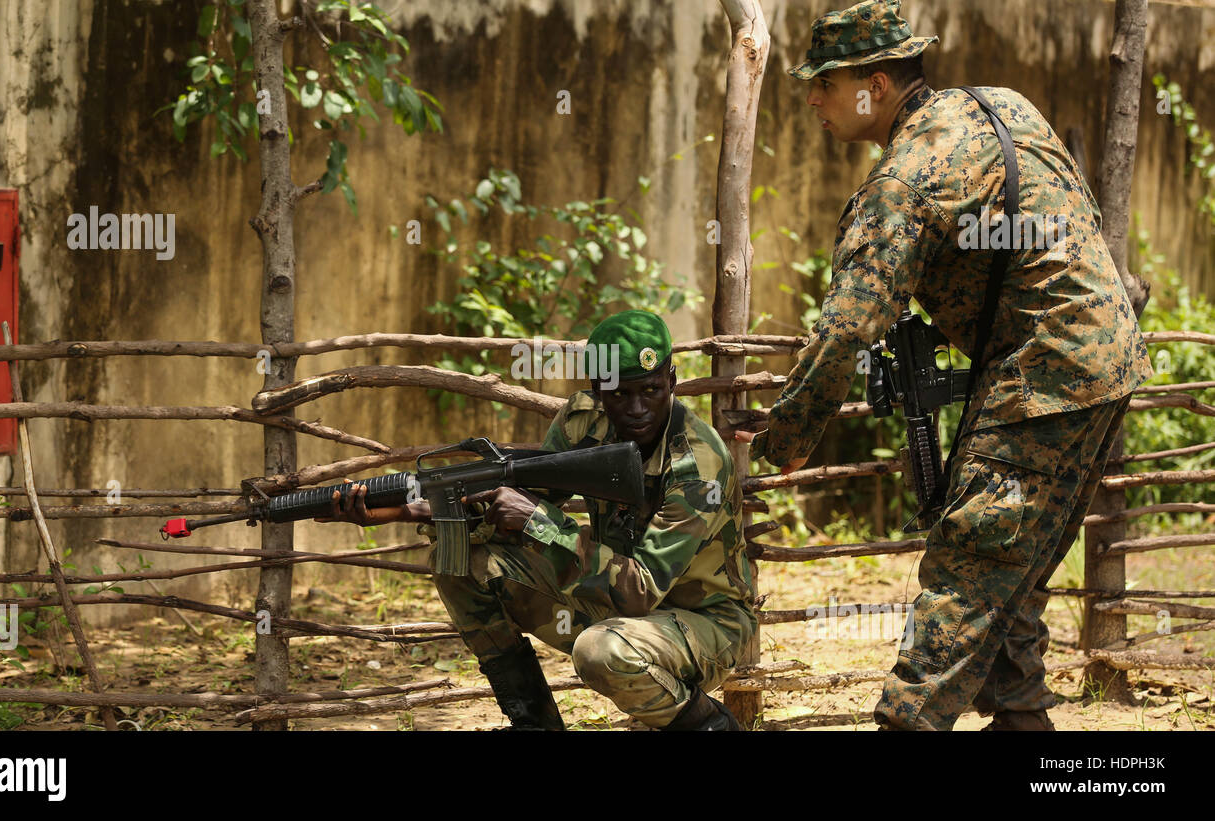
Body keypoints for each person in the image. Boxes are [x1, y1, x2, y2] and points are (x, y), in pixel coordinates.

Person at [742, 0, 1153, 730]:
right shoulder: (1002, 106)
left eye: (823, 85)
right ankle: (1022, 717)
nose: (810, 100)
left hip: (1043, 375)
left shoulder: (903, 182)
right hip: (1107, 359)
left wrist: (782, 440)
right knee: (1011, 560)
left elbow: (845, 329)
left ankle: (908, 720)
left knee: (967, 564)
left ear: (872, 84)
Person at [320, 310, 757, 730]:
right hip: (616, 603)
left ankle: (710, 725)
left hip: (705, 624)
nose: (638, 408)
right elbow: (517, 502)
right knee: (465, 565)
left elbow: (640, 591)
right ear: (598, 389)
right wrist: (402, 509)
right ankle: (533, 721)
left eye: (651, 390)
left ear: (672, 382)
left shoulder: (697, 465)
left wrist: (539, 521)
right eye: (620, 394)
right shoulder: (584, 421)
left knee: (600, 651)